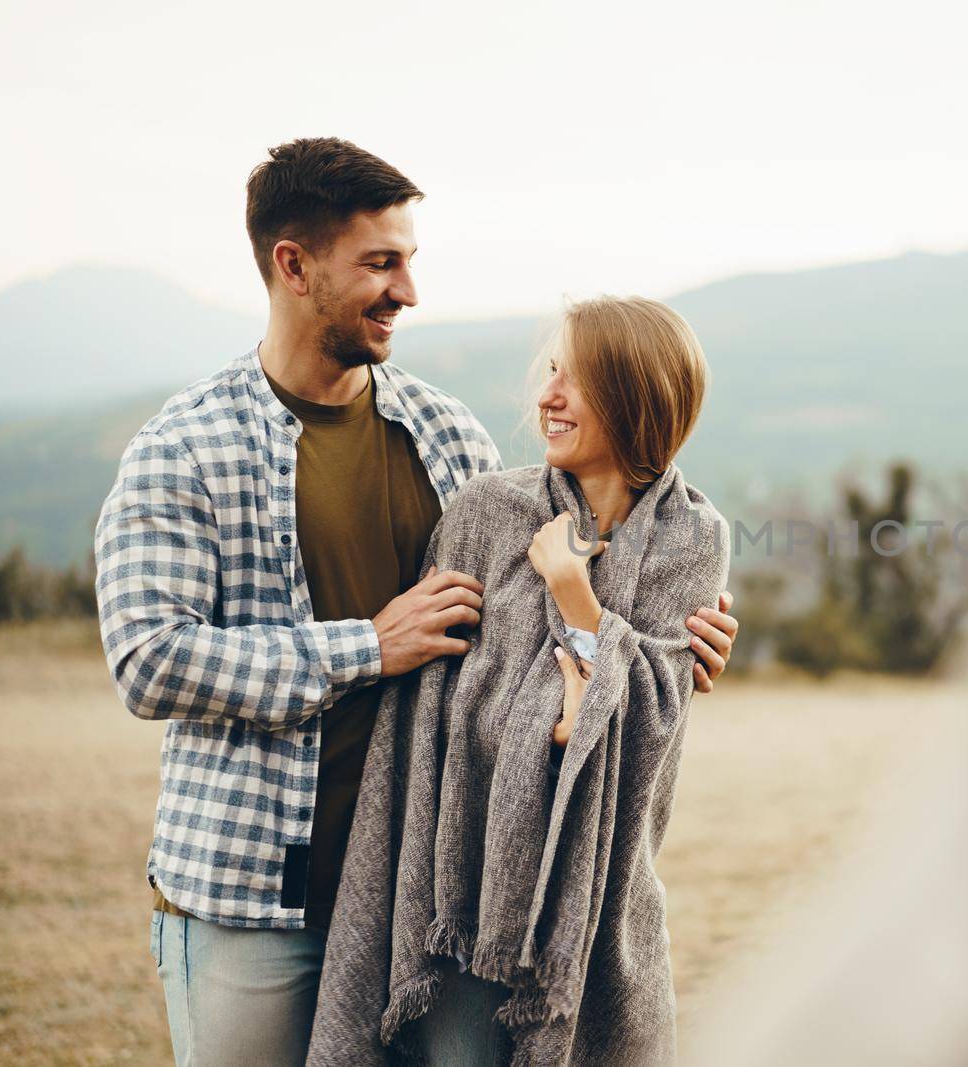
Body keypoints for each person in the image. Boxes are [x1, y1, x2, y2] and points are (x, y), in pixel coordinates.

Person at [91, 137, 739, 1067]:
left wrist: (664, 652)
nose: (408, 291)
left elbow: (544, 618)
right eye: (381, 263)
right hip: (251, 903)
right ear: (295, 265)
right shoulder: (185, 446)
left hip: (422, 906)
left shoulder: (445, 433)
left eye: (410, 261)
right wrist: (366, 646)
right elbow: (149, 658)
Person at [308, 295, 730, 1066]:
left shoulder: (692, 539)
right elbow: (445, 711)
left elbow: (633, 730)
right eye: (550, 370)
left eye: (577, 378)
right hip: (461, 901)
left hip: (606, 906)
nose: (547, 395)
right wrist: (591, 680)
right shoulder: (485, 512)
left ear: (636, 395)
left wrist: (572, 591)